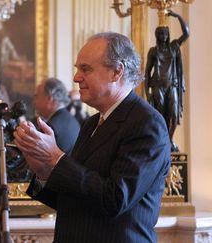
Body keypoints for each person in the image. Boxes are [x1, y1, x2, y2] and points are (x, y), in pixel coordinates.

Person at [14, 32, 171, 242]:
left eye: (85, 69)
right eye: (77, 68)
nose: (76, 77)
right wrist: (43, 170)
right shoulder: (90, 124)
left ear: (117, 71)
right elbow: (72, 200)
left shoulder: (146, 123)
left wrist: (55, 158)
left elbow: (115, 199)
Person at [145, 10, 189, 152]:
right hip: (158, 87)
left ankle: (169, 139)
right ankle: (164, 140)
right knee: (161, 115)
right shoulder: (153, 51)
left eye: (165, 33)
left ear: (168, 35)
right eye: (160, 34)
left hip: (172, 86)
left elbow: (186, 33)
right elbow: (147, 72)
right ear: (157, 35)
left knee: (174, 114)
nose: (163, 36)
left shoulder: (174, 47)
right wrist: (147, 93)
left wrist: (177, 16)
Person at [34, 78, 80, 154]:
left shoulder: (50, 128)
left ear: (50, 99)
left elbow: (41, 161)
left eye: (37, 97)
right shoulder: (72, 120)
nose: (34, 102)